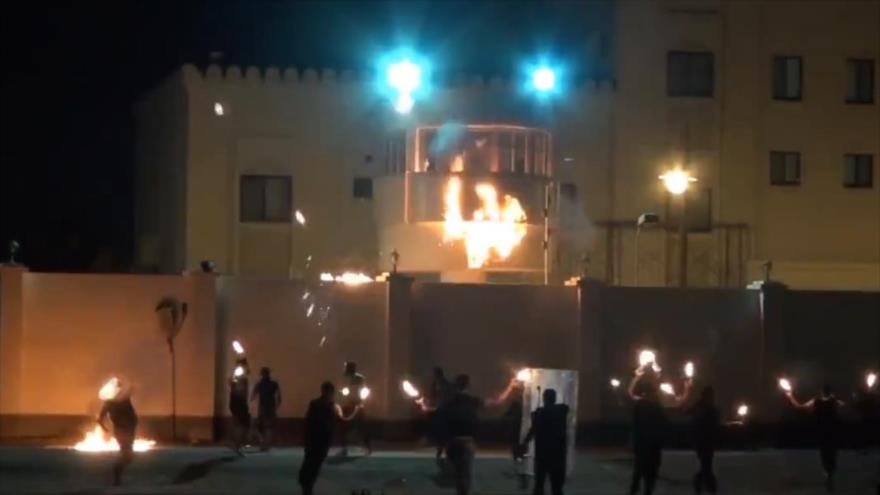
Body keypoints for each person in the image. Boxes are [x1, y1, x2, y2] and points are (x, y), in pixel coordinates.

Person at [418, 374, 519, 495]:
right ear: (468, 386)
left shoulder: (449, 402)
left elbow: (428, 410)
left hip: (452, 442)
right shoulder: (472, 401)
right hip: (467, 442)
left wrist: (422, 404)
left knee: (458, 474)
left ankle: (459, 489)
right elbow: (498, 401)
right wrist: (510, 386)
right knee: (465, 474)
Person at [627, 367, 692, 495]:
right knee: (647, 474)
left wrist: (636, 377)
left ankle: (638, 491)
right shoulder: (655, 405)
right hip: (651, 445)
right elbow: (679, 405)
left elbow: (630, 394)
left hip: (643, 444)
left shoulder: (643, 403)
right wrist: (687, 388)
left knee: (639, 473)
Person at [299, 381, 360, 495]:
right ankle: (307, 486)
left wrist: (305, 437)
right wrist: (356, 411)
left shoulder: (315, 403)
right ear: (331, 392)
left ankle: (306, 486)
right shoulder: (333, 406)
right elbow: (344, 420)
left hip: (313, 439)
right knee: (315, 464)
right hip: (323, 440)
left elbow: (307, 421)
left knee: (309, 463)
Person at [785, 384, 845, 493]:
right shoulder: (831, 401)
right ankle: (829, 475)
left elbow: (800, 408)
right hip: (829, 432)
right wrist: (790, 397)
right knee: (829, 454)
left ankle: (829, 475)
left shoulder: (821, 401)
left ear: (822, 392)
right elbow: (843, 407)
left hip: (826, 432)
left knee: (826, 454)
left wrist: (790, 397)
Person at [520, 388, 570, 495]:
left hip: (543, 453)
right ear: (555, 398)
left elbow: (533, 430)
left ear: (544, 399)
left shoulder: (539, 413)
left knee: (539, 485)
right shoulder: (562, 411)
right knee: (557, 487)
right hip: (558, 454)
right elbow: (565, 408)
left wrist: (524, 443)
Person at [97, 381, 138, 486]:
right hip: (123, 430)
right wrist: (106, 430)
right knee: (127, 455)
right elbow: (100, 419)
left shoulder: (118, 402)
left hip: (124, 430)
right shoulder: (116, 402)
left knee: (127, 455)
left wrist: (106, 430)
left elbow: (100, 419)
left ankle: (117, 476)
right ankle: (116, 476)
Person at [687, 386, 721, 495]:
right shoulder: (706, 408)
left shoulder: (703, 407)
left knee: (706, 465)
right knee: (706, 465)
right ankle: (709, 486)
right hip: (704, 441)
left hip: (704, 441)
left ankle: (703, 484)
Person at [340, 361, 371, 456]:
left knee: (362, 427)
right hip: (349, 405)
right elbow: (342, 390)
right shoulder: (345, 378)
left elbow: (364, 390)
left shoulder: (359, 378)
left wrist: (361, 402)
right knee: (346, 428)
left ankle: (367, 447)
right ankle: (345, 448)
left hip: (357, 405)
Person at [251, 367, 281, 452]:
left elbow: (252, 396)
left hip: (263, 408)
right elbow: (279, 397)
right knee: (268, 427)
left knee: (261, 427)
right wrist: (276, 406)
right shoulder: (274, 384)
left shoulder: (259, 384)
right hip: (270, 407)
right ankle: (266, 445)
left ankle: (264, 443)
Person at [428, 367, 452, 460]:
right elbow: (433, 395)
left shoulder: (444, 384)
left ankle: (442, 449)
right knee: (440, 431)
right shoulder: (436, 384)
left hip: (443, 410)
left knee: (442, 431)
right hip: (439, 409)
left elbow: (446, 397)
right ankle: (440, 449)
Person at [229, 358, 251, 455]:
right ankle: (237, 446)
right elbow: (238, 386)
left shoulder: (237, 376)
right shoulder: (239, 376)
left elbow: (231, 382)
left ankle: (236, 445)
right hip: (239, 402)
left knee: (239, 424)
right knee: (242, 425)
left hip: (236, 402)